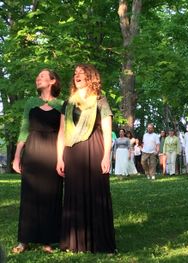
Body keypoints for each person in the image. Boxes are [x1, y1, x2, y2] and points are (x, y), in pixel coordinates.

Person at [56, 64, 116, 253]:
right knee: (74, 193)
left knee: (96, 192)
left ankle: (99, 242)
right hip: (72, 152)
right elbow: (61, 132)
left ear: (91, 77)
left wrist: (107, 156)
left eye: (81, 73)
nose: (77, 76)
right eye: (75, 74)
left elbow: (107, 131)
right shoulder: (68, 104)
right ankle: (75, 242)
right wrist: (59, 158)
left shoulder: (100, 100)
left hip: (95, 149)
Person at [12, 69, 63, 254]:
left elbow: (65, 133)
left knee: (51, 194)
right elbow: (24, 130)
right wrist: (17, 155)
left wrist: (62, 157)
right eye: (37, 76)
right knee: (29, 195)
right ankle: (24, 240)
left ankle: (48, 241)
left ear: (52, 81)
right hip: (32, 151)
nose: (38, 78)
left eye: (42, 76)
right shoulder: (31, 103)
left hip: (53, 152)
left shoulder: (62, 104)